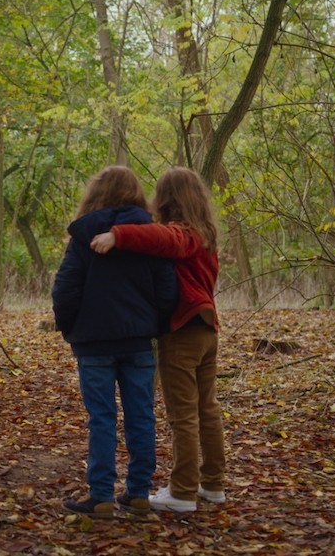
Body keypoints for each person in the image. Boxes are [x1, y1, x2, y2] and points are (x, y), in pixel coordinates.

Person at [90, 166, 225, 513]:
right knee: (206, 410)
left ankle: (182, 492)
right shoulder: (205, 233)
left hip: (184, 332)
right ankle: (212, 485)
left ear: (166, 199)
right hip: (207, 329)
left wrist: (118, 235)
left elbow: (164, 239)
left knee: (184, 415)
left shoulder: (183, 233)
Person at [52, 166, 177, 518]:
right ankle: (138, 492)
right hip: (138, 341)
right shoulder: (150, 236)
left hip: (94, 343)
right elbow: (167, 288)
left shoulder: (83, 237)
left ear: (96, 194)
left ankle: (102, 495)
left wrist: (70, 328)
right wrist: (156, 325)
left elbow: (65, 289)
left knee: (102, 418)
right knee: (141, 415)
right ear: (136, 195)